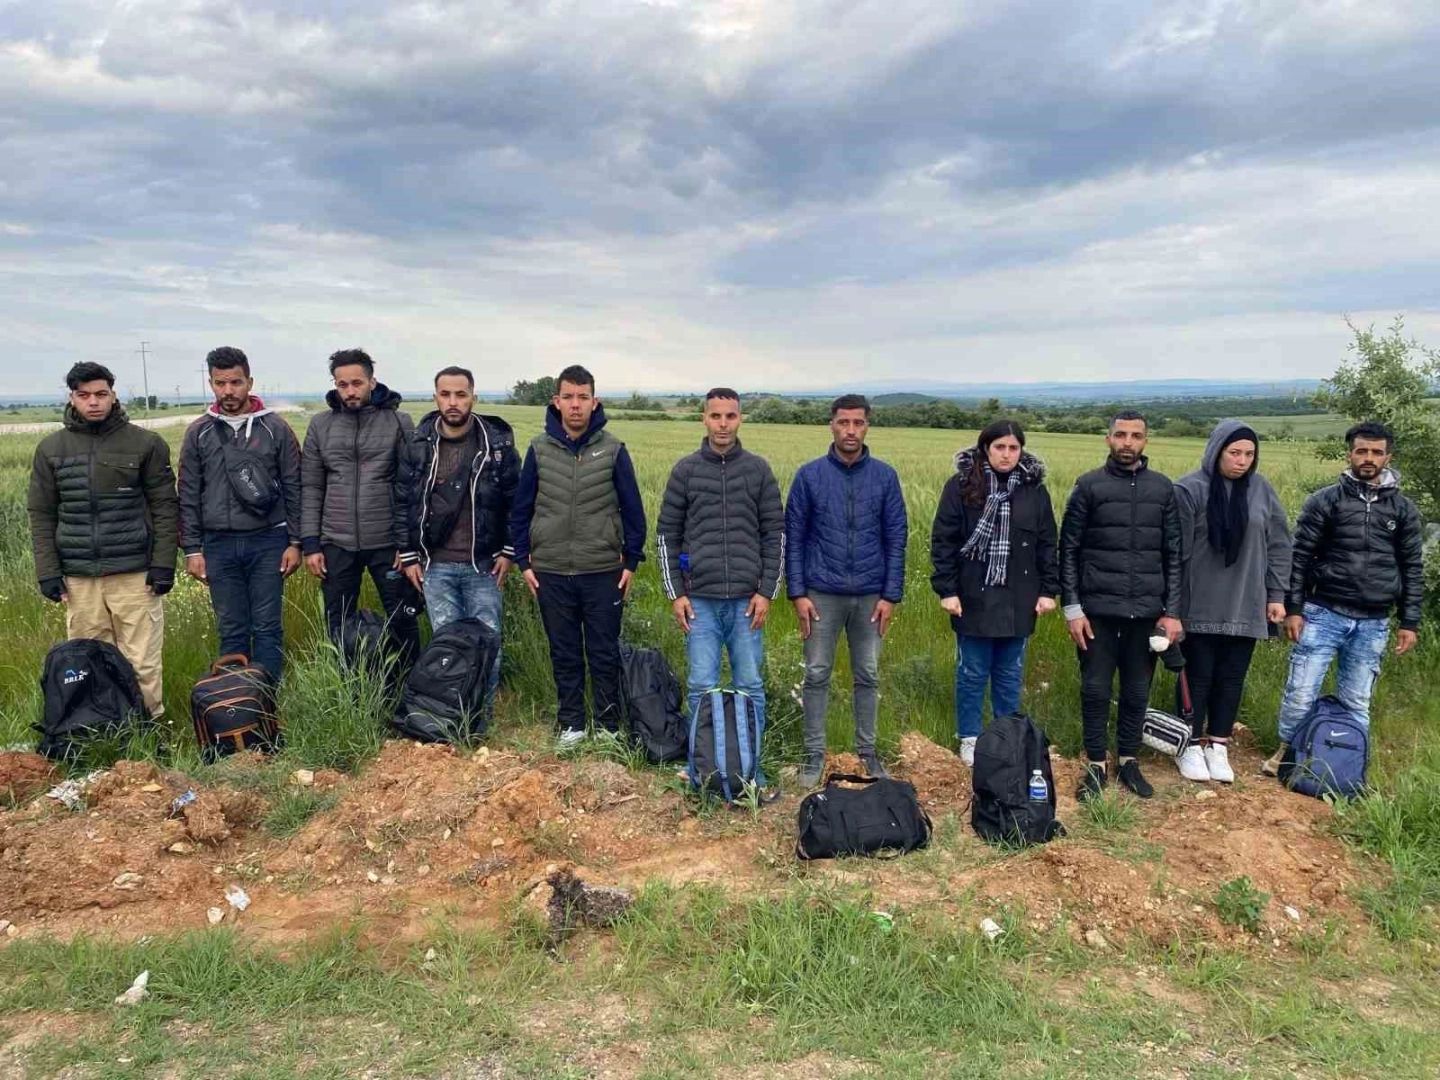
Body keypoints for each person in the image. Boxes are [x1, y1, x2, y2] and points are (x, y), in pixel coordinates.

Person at [1264, 422, 1424, 775]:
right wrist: (1294, 608)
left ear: (1388, 457)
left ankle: (1348, 766)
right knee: (1301, 691)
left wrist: (1409, 621)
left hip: (1374, 620)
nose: (1369, 458)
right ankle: (1287, 755)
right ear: (1350, 454)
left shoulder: (1403, 509)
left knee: (1357, 699)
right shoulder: (1325, 501)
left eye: (1377, 452)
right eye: (1361, 451)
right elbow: (1299, 557)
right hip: (1323, 612)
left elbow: (1412, 566)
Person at [27, 361, 179, 717]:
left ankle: (146, 728)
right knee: (88, 660)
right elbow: (41, 513)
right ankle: (100, 729)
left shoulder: (146, 443)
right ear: (72, 398)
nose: (93, 402)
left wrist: (163, 565)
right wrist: (48, 572)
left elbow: (165, 507)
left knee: (141, 659)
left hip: (135, 574)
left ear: (113, 395)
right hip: (79, 577)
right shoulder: (51, 449)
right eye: (84, 395)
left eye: (101, 394)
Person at [510, 365, 647, 748]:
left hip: (603, 570)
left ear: (594, 402)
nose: (575, 404)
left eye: (582, 397)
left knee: (604, 651)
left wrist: (631, 561)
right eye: (568, 397)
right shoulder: (539, 449)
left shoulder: (613, 449)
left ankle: (607, 725)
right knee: (564, 651)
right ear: (557, 401)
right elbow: (521, 509)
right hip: (551, 570)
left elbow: (633, 510)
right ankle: (572, 724)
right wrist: (523, 561)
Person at [785, 394, 908, 785]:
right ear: (832, 425)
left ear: (867, 425)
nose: (850, 430)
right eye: (843, 422)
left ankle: (868, 754)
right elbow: (794, 538)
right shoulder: (809, 476)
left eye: (858, 423)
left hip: (871, 595)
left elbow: (897, 538)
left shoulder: (885, 477)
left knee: (867, 674)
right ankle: (813, 757)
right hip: (821, 593)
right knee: (816, 673)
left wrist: (890, 595)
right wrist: (798, 593)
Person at [1060, 411, 1182, 800]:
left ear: (1146, 441)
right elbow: (1069, 550)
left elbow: (1174, 554)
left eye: (1136, 436)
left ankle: (1128, 760)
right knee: (1095, 688)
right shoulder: (1088, 486)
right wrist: (1072, 608)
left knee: (1137, 690)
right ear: (1108, 439)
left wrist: (1172, 612)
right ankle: (1096, 763)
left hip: (1146, 612)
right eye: (1120, 435)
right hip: (1096, 611)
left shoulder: (1163, 489)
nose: (1127, 442)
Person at [658, 389, 785, 750]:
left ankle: (750, 762)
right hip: (699, 601)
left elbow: (775, 534)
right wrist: (676, 594)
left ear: (740, 418)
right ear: (705, 419)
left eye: (730, 416)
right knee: (701, 685)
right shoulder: (686, 471)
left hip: (747, 602)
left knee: (750, 685)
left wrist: (766, 592)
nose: (723, 424)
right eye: (716, 416)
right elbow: (667, 535)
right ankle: (703, 762)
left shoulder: (758, 470)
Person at [930, 419, 1059, 767]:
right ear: (985, 448)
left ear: (1021, 451)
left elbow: (1047, 543)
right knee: (972, 672)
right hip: (973, 594)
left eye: (1013, 448)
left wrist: (1048, 590)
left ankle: (1006, 737)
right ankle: (970, 737)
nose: (1006, 454)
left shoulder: (1034, 490)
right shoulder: (960, 486)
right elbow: (944, 541)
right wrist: (947, 590)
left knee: (1009, 673)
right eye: (999, 447)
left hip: (1019, 596)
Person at [1173, 421, 1291, 783]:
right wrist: (1172, 608)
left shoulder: (1261, 490)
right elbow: (1174, 554)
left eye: (1249, 454)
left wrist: (1277, 595)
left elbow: (1279, 545)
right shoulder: (1189, 489)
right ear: (1216, 451)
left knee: (1231, 677)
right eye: (1234, 453)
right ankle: (1190, 744)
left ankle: (1218, 744)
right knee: (1198, 675)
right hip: (1199, 601)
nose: (1242, 461)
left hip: (1246, 600)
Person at [400, 366, 520, 719]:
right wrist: (409, 555)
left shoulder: (497, 445)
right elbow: (403, 500)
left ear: (473, 398)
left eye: (461, 394)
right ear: (435, 397)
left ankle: (482, 717)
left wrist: (509, 551)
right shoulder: (418, 444)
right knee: (447, 646)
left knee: (488, 643)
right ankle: (451, 717)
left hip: (484, 564)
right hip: (435, 565)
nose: (453, 402)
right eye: (445, 394)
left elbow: (516, 501)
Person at [178, 347, 303, 681]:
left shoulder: (276, 428)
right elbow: (188, 493)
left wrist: (295, 542)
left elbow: (295, 486)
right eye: (220, 383)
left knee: (267, 626)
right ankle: (236, 699)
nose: (228, 390)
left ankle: (267, 698)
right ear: (211, 384)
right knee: (231, 627)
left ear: (250, 382)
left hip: (268, 541)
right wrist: (192, 549)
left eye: (236, 382)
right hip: (218, 544)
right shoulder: (199, 433)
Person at [301, 348, 419, 666]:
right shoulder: (321, 425)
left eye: (357, 383)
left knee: (402, 618)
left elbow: (412, 486)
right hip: (336, 541)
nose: (350, 391)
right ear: (335, 385)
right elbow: (311, 486)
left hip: (387, 541)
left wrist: (408, 545)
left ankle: (410, 687)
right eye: (342, 385)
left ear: (372, 382)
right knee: (337, 622)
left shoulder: (399, 422)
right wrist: (311, 544)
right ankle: (348, 685)